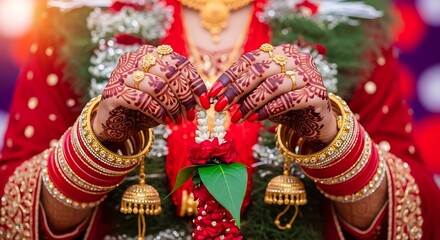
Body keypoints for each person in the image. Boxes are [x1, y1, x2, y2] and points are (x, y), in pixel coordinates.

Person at [1, 0, 439, 239]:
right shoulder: (75, 20)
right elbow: (12, 214)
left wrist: (328, 137)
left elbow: (416, 213)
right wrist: (101, 137)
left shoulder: (346, 24)